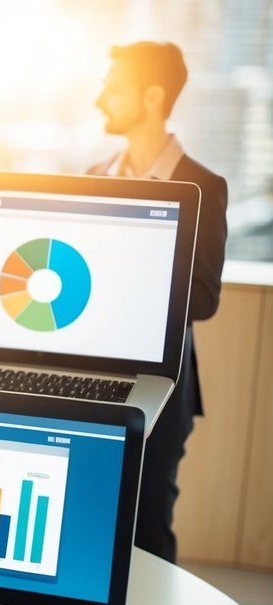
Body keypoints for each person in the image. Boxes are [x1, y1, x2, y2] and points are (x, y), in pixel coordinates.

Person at [89, 41, 228, 563]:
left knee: (148, 527)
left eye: (112, 87)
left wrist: (124, 277)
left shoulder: (202, 185)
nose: (100, 97)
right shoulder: (94, 175)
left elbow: (205, 297)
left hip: (162, 392)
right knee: (92, 519)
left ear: (151, 97)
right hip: (94, 383)